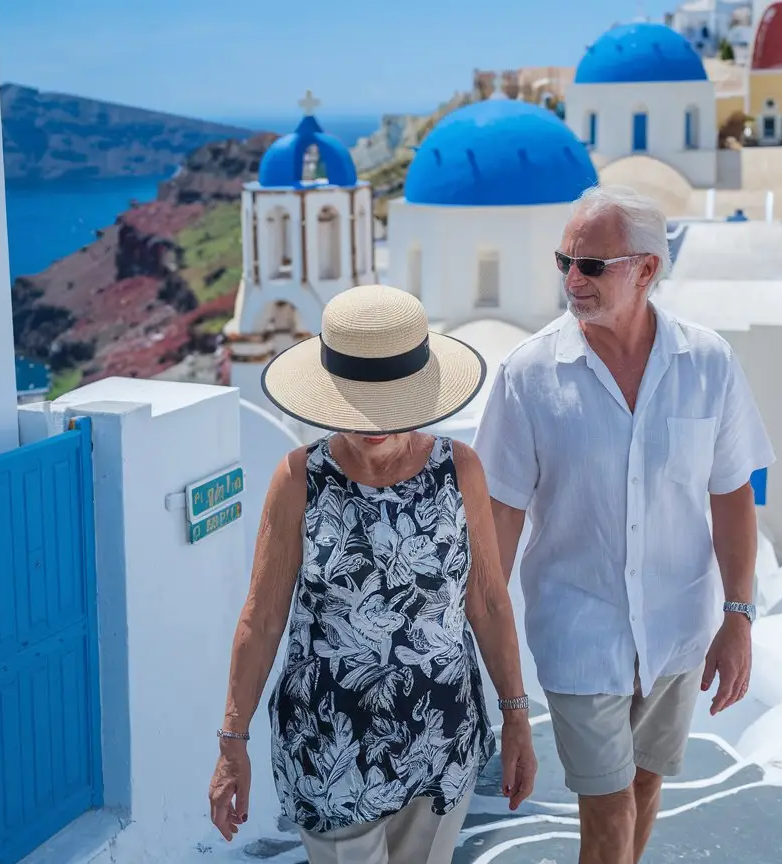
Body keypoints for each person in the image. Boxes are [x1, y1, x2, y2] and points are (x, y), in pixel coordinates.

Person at [472, 184, 775, 864]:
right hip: (581, 633)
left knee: (644, 781)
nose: (572, 280)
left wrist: (738, 617)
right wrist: (495, 664)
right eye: (564, 263)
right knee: (605, 807)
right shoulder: (529, 376)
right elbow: (499, 523)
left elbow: (731, 494)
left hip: (677, 629)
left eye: (592, 265)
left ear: (646, 269)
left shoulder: (709, 364)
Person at [209, 284, 537, 863]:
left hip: (442, 740)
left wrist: (517, 719)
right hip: (327, 749)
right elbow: (261, 619)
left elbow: (486, 602)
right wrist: (231, 744)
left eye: (393, 400)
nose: (374, 421)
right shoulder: (298, 480)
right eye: (359, 402)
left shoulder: (460, 470)